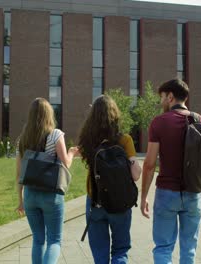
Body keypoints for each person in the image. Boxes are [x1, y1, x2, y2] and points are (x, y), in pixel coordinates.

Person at [140, 79, 201, 264]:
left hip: (166, 194)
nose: (161, 101)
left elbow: (149, 164)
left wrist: (144, 196)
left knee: (163, 248)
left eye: (162, 97)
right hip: (194, 193)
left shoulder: (159, 123)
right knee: (189, 249)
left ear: (170, 97)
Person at [78, 95, 142, 264]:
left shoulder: (88, 141)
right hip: (120, 202)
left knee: (100, 254)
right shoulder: (124, 140)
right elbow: (136, 175)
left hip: (95, 201)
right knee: (120, 251)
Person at [15, 97, 78, 264]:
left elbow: (19, 174)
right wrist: (72, 152)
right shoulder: (56, 135)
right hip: (51, 195)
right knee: (54, 241)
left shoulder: (23, 139)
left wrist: (20, 201)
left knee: (37, 239)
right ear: (49, 114)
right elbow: (65, 164)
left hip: (30, 195)